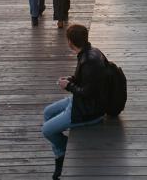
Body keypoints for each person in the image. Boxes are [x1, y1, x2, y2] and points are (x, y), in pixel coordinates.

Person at [42, 24, 107, 179]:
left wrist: (68, 86)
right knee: (47, 112)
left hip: (86, 110)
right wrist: (71, 79)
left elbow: (87, 93)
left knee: (47, 130)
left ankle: (64, 151)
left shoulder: (88, 61)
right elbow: (86, 82)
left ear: (70, 42)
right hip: (81, 101)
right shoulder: (90, 52)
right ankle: (60, 153)